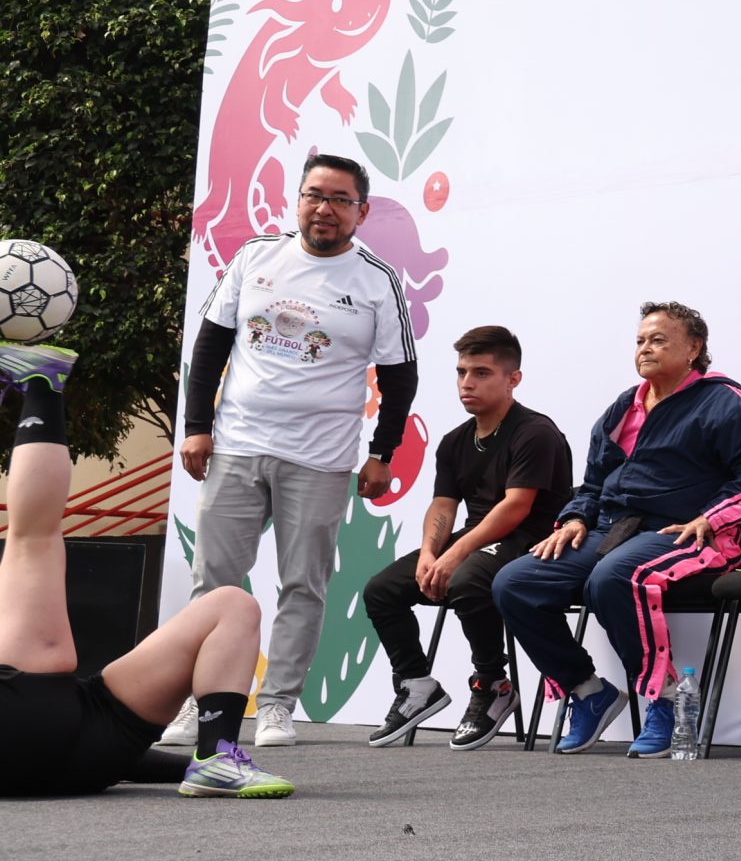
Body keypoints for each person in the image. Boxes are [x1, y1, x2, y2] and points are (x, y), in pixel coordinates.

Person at [167, 150, 419, 749]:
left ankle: (277, 705)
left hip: (321, 457)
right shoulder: (255, 257)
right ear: (297, 200)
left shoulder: (377, 280)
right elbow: (209, 349)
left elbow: (400, 375)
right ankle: (199, 703)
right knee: (216, 585)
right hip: (236, 445)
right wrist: (197, 426)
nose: (323, 209)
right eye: (313, 195)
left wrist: (382, 452)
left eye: (338, 199)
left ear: (361, 211)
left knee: (302, 584)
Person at [491, 301, 741, 758]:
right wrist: (575, 518)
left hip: (687, 534)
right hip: (612, 530)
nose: (645, 349)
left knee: (614, 577)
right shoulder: (624, 407)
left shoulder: (724, 402)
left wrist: (713, 518)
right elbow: (594, 481)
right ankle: (588, 692)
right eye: (640, 341)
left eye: (658, 340)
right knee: (514, 582)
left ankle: (666, 702)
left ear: (694, 347)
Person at [2, 342, 293, 799]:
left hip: (77, 745)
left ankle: (214, 759)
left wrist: (180, 769)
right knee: (33, 538)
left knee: (229, 604)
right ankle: (42, 384)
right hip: (72, 744)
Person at [358, 325, 574, 749]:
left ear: (513, 378)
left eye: (481, 372)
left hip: (533, 540)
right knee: (381, 590)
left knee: (466, 579)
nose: (467, 383)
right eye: (461, 372)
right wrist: (429, 553)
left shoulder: (535, 432)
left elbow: (516, 507)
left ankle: (493, 684)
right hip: (479, 539)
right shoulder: (455, 441)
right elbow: (443, 505)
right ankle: (418, 685)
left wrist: (455, 553)